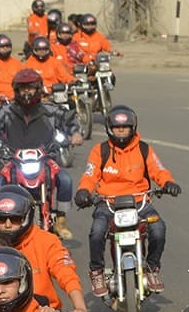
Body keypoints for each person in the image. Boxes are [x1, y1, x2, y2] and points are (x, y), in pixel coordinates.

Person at [75, 105, 179, 296]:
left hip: (140, 203)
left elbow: (158, 170)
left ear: (133, 128)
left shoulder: (144, 149)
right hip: (108, 204)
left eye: (125, 127)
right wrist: (83, 191)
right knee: (97, 232)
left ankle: (152, 268)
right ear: (109, 128)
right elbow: (90, 174)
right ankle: (97, 271)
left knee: (158, 229)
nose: (121, 131)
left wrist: (168, 182)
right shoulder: (101, 150)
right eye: (116, 127)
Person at [0, 68, 82, 240]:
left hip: (46, 160)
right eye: (22, 88)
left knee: (66, 180)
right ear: (16, 90)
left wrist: (75, 134)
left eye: (30, 87)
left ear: (38, 88)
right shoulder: (6, 111)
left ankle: (61, 220)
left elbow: (69, 121)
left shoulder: (50, 110)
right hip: (14, 162)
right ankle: (1, 223)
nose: (26, 92)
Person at [0, 186, 87, 312]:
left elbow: (66, 273)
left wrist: (80, 307)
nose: (7, 225)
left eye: (15, 219)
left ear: (27, 217)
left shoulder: (47, 241)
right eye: (1, 219)